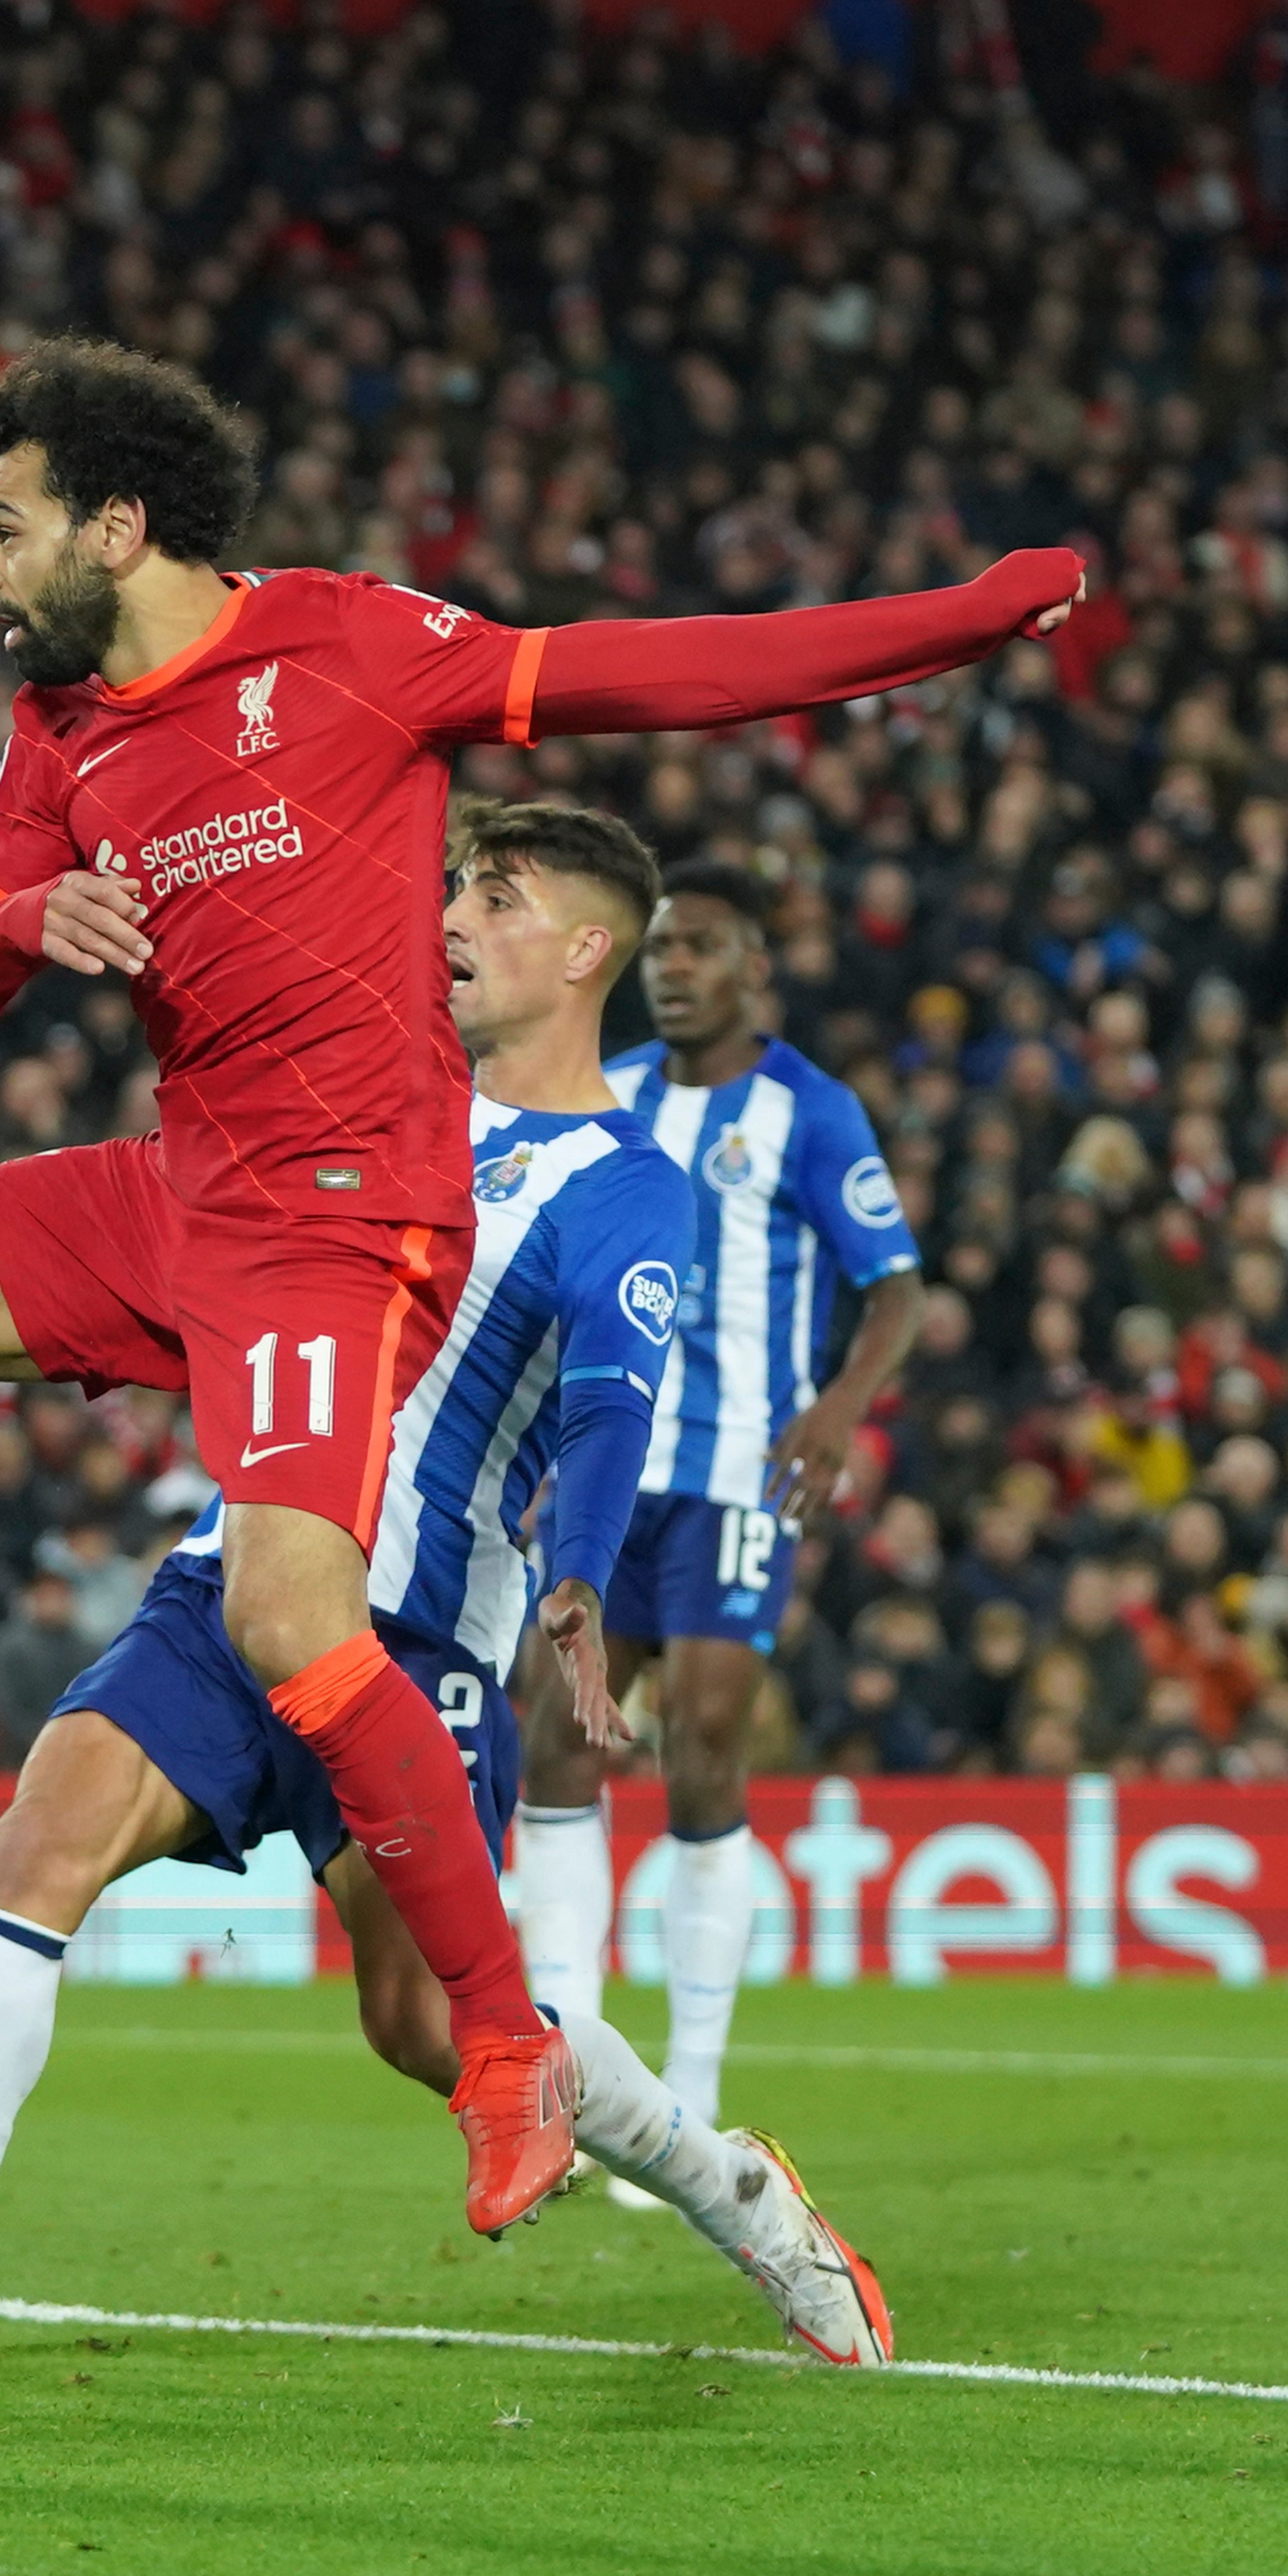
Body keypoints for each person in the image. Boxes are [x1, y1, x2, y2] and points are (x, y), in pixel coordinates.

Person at [0, 335, 1082, 2237]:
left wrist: (952, 625)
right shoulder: (59, 733)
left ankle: (502, 2046)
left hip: (342, 1219)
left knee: (300, 1616)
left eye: (2, 529)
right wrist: (21, 924)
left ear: (118, 525)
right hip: (183, 1189)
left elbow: (669, 668)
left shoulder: (356, 645)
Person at [0, 803, 888, 2379]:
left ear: (580, 951)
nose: (452, 919)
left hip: (409, 1634)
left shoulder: (618, 1181)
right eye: (456, 887)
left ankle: (735, 2189)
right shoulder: (372, 1097)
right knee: (41, 1833)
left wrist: (575, 1575)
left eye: (494, 900)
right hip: (233, 1581)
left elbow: (612, 1395)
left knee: (424, 2028)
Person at [512, 861, 927, 2168]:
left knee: (698, 1740)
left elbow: (896, 1286)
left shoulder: (812, 1111)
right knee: (556, 1734)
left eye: (699, 948)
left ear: (756, 968)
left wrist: (841, 1406)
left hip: (741, 1470)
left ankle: (685, 2089)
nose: (672, 968)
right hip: (608, 1467)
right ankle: (569, 2067)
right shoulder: (613, 1094)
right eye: (662, 949)